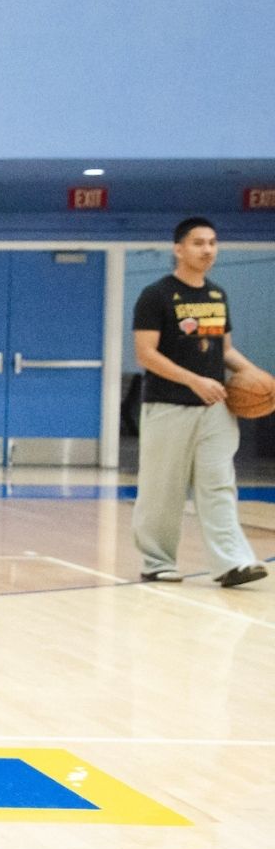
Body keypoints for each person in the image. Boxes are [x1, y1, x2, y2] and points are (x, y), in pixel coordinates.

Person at [131, 217, 268, 588]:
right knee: (162, 489)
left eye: (212, 242)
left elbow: (225, 350)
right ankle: (157, 561)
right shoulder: (156, 295)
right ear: (178, 249)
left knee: (219, 484)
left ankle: (232, 563)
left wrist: (258, 377)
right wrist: (193, 380)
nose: (207, 249)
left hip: (216, 408)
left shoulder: (217, 295)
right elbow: (145, 353)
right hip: (168, 405)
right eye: (198, 243)